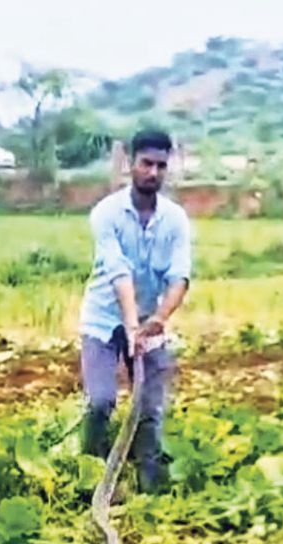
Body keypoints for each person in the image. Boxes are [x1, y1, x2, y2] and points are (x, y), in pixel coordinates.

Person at [80, 130, 192, 492]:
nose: (154, 172)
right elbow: (118, 272)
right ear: (131, 165)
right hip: (104, 319)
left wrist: (158, 320)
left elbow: (180, 277)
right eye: (147, 163)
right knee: (101, 402)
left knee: (149, 408)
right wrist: (131, 326)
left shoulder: (175, 219)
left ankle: (150, 486)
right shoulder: (106, 213)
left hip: (149, 322)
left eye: (161, 165)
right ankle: (93, 473)